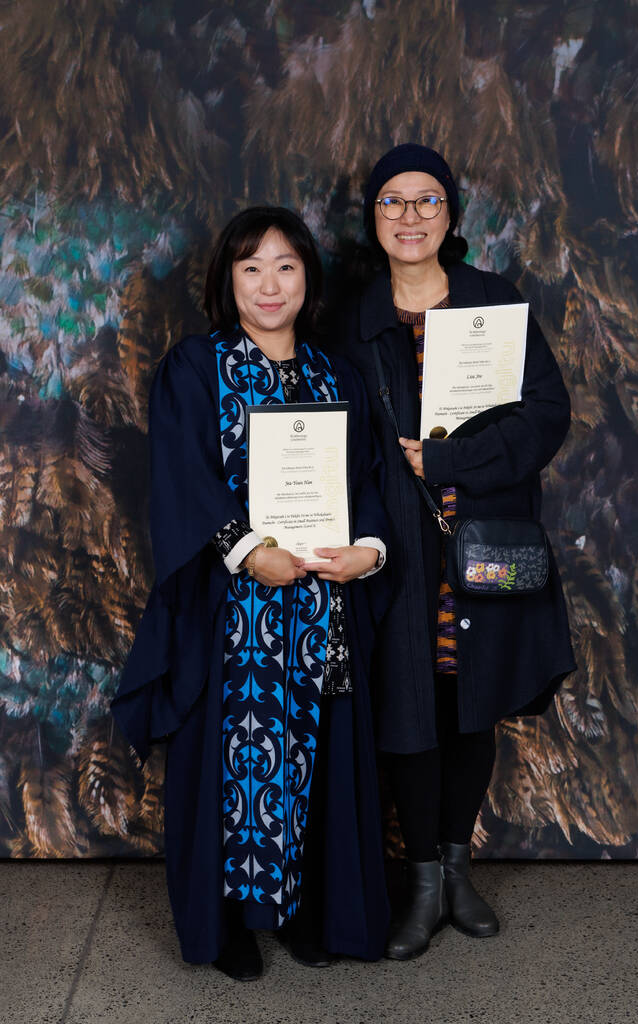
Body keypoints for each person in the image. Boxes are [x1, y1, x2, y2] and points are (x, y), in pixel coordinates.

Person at [112, 206, 391, 980]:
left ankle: (304, 910)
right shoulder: (195, 368)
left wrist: (365, 550)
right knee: (231, 764)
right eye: (251, 268)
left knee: (318, 757)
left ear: (309, 278)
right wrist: (247, 550)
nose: (270, 285)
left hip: (318, 609)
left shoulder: (336, 375)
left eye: (286, 267)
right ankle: (231, 919)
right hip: (230, 612)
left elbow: (363, 479)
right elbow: (181, 478)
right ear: (226, 280)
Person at [336, 144, 576, 960]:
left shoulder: (492, 302)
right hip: (395, 554)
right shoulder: (351, 320)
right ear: (373, 220)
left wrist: (448, 462)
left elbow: (544, 415)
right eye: (392, 202)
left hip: (484, 542)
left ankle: (456, 867)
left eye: (427, 200)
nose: (410, 216)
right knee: (409, 709)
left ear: (451, 215)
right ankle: (422, 888)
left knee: (471, 705)